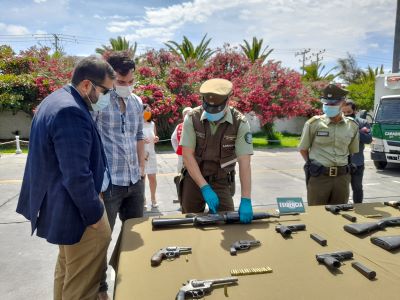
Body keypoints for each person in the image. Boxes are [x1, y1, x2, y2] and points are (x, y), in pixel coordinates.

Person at [16, 56, 115, 300]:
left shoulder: (55, 100)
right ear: (86, 85)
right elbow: (76, 175)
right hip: (79, 213)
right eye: (105, 91)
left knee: (67, 271)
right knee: (83, 286)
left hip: (64, 208)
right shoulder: (71, 111)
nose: (107, 98)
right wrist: (94, 215)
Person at [93, 51, 145, 300]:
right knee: (102, 239)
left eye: (130, 82)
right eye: (120, 82)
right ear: (111, 77)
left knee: (136, 234)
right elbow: (91, 139)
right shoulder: (100, 102)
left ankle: (134, 280)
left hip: (135, 181)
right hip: (110, 183)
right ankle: (102, 289)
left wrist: (142, 171)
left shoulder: (136, 102)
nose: (125, 87)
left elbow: (138, 136)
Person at [180, 78, 254, 223]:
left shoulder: (240, 123)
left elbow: (245, 163)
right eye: (208, 108)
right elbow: (187, 155)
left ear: (228, 101)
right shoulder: (192, 118)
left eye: (217, 109)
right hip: (194, 178)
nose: (212, 113)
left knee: (228, 222)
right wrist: (204, 187)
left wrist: (246, 199)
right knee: (189, 223)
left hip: (221, 180)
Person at [299, 84, 359, 206]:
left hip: (342, 177)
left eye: (333, 103)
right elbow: (303, 149)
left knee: (340, 213)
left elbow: (351, 151)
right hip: (320, 177)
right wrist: (313, 165)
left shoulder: (352, 126)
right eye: (326, 103)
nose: (328, 106)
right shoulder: (313, 123)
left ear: (343, 103)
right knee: (317, 215)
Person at [342, 100, 372, 203]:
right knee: (341, 190)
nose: (346, 115)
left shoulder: (363, 123)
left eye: (349, 112)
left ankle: (358, 207)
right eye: (343, 112)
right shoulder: (338, 123)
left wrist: (356, 132)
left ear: (355, 111)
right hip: (340, 163)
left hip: (357, 163)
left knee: (357, 188)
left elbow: (368, 139)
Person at [142, 103, 159, 209]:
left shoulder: (152, 124)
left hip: (151, 154)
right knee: (142, 178)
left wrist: (156, 138)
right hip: (141, 154)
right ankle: (143, 199)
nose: (148, 112)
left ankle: (153, 199)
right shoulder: (137, 124)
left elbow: (155, 136)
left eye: (150, 110)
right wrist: (141, 140)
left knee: (152, 177)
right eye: (146, 110)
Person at [171, 107, 192, 172]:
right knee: (180, 172)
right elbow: (173, 139)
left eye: (188, 114)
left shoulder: (196, 126)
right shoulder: (179, 126)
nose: (186, 116)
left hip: (193, 155)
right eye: (185, 114)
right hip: (181, 154)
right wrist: (177, 149)